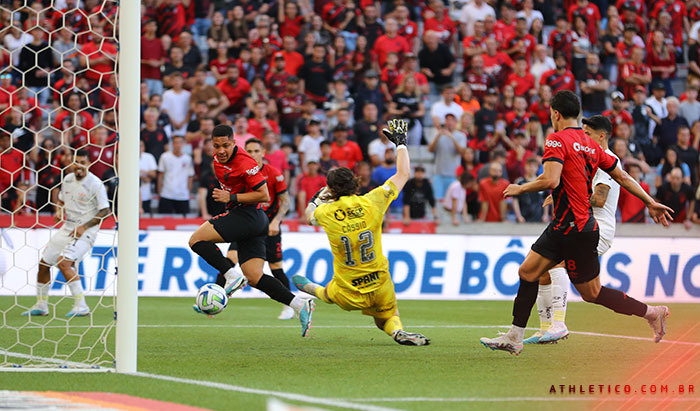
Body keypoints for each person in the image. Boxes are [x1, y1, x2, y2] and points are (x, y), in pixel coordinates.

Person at [480, 91, 673, 355]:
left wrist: (521, 188)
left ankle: (646, 313)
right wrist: (649, 201)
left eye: (551, 113)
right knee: (534, 274)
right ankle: (516, 335)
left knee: (581, 289)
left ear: (555, 114)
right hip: (574, 227)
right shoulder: (591, 145)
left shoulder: (556, 140)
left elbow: (550, 180)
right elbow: (623, 177)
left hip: (572, 228)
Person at [293, 120, 430, 346]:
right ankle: (397, 332)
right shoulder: (373, 201)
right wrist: (401, 144)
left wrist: (318, 197)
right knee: (386, 316)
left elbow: (309, 214)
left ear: (333, 190)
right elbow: (404, 173)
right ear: (356, 183)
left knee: (328, 294)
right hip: (379, 281)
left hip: (348, 289)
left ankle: (311, 289)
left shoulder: (326, 212)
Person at [187, 125, 314, 336]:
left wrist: (231, 198)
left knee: (196, 240)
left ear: (234, 143)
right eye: (216, 146)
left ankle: (231, 276)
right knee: (255, 276)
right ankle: (299, 304)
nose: (221, 150)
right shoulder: (218, 159)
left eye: (226, 145)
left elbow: (264, 195)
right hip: (251, 221)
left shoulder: (245, 163)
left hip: (247, 216)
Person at [525, 115, 621, 344]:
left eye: (587, 134)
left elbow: (599, 199)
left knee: (557, 262)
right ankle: (545, 328)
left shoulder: (608, 161)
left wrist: (568, 196)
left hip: (598, 228)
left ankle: (559, 324)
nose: (583, 137)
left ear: (602, 136)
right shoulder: (587, 159)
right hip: (579, 223)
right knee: (541, 270)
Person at [22, 149, 110, 317]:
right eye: (76, 162)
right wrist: (59, 211)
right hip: (67, 228)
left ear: (89, 164)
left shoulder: (95, 183)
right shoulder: (68, 179)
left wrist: (84, 226)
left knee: (64, 263)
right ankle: (41, 306)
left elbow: (105, 211)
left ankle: (81, 306)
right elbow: (61, 199)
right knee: (44, 264)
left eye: (83, 163)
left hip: (86, 231)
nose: (79, 166)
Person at [223, 139, 294, 320]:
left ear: (263, 152)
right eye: (249, 151)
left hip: (269, 227)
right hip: (246, 225)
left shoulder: (274, 173)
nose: (253, 154)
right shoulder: (240, 172)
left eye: (256, 150)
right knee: (229, 261)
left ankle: (290, 305)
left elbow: (285, 201)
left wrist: (276, 221)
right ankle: (218, 300)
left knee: (276, 268)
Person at [157, 135, 194, 216]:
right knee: (164, 221)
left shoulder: (188, 158)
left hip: (183, 195)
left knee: (183, 224)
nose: (178, 145)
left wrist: (188, 192)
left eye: (180, 142)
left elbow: (190, 177)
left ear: (184, 144)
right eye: (176, 142)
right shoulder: (165, 156)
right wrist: (159, 192)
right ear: (172, 144)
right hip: (166, 194)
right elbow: (160, 175)